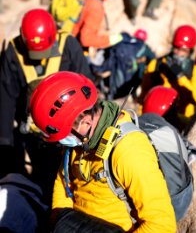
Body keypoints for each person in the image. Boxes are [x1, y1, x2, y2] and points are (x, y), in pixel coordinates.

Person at [30, 71, 176, 232]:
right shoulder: (80, 140)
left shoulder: (129, 150)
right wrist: (59, 220)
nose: (62, 142)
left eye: (65, 136)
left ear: (85, 121)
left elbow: (161, 225)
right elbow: (63, 180)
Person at [0, 8, 94, 205]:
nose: (39, 56)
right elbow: (6, 98)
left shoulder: (68, 44)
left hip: (68, 130)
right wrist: (5, 141)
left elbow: (86, 86)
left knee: (67, 177)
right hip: (32, 132)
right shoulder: (13, 51)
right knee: (42, 176)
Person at [139, 24, 196, 119]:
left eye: (183, 50)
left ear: (191, 51)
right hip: (156, 115)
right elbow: (144, 93)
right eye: (176, 48)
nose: (179, 53)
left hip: (182, 119)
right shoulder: (156, 64)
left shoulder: (195, 70)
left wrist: (181, 77)